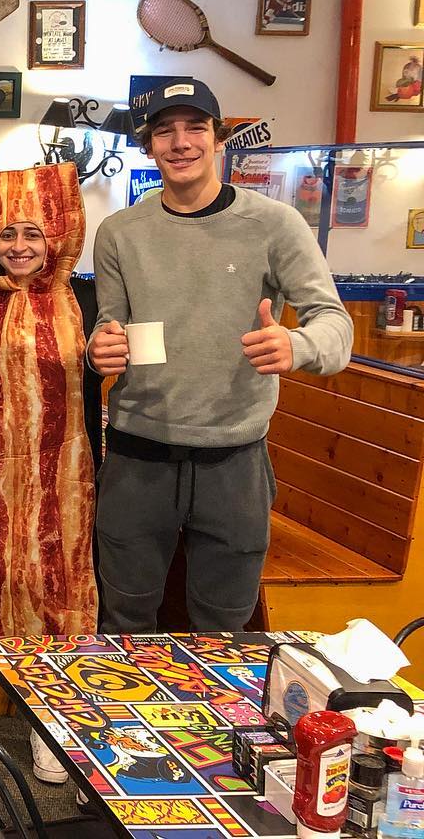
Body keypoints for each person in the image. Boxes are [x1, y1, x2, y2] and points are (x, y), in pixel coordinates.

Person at [87, 78, 353, 634]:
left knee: (225, 630)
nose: (181, 142)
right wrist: (98, 349)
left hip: (235, 461)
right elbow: (111, 327)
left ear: (219, 138)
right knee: (124, 619)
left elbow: (335, 326)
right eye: (165, 131)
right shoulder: (119, 233)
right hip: (137, 458)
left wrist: (296, 344)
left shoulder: (275, 224)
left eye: (195, 128)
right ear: (148, 145)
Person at [0, 162, 103, 783]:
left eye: (32, 234)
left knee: (57, 594)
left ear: (55, 239)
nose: (18, 246)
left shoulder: (85, 301)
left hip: (63, 476)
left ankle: (52, 726)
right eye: (7, 234)